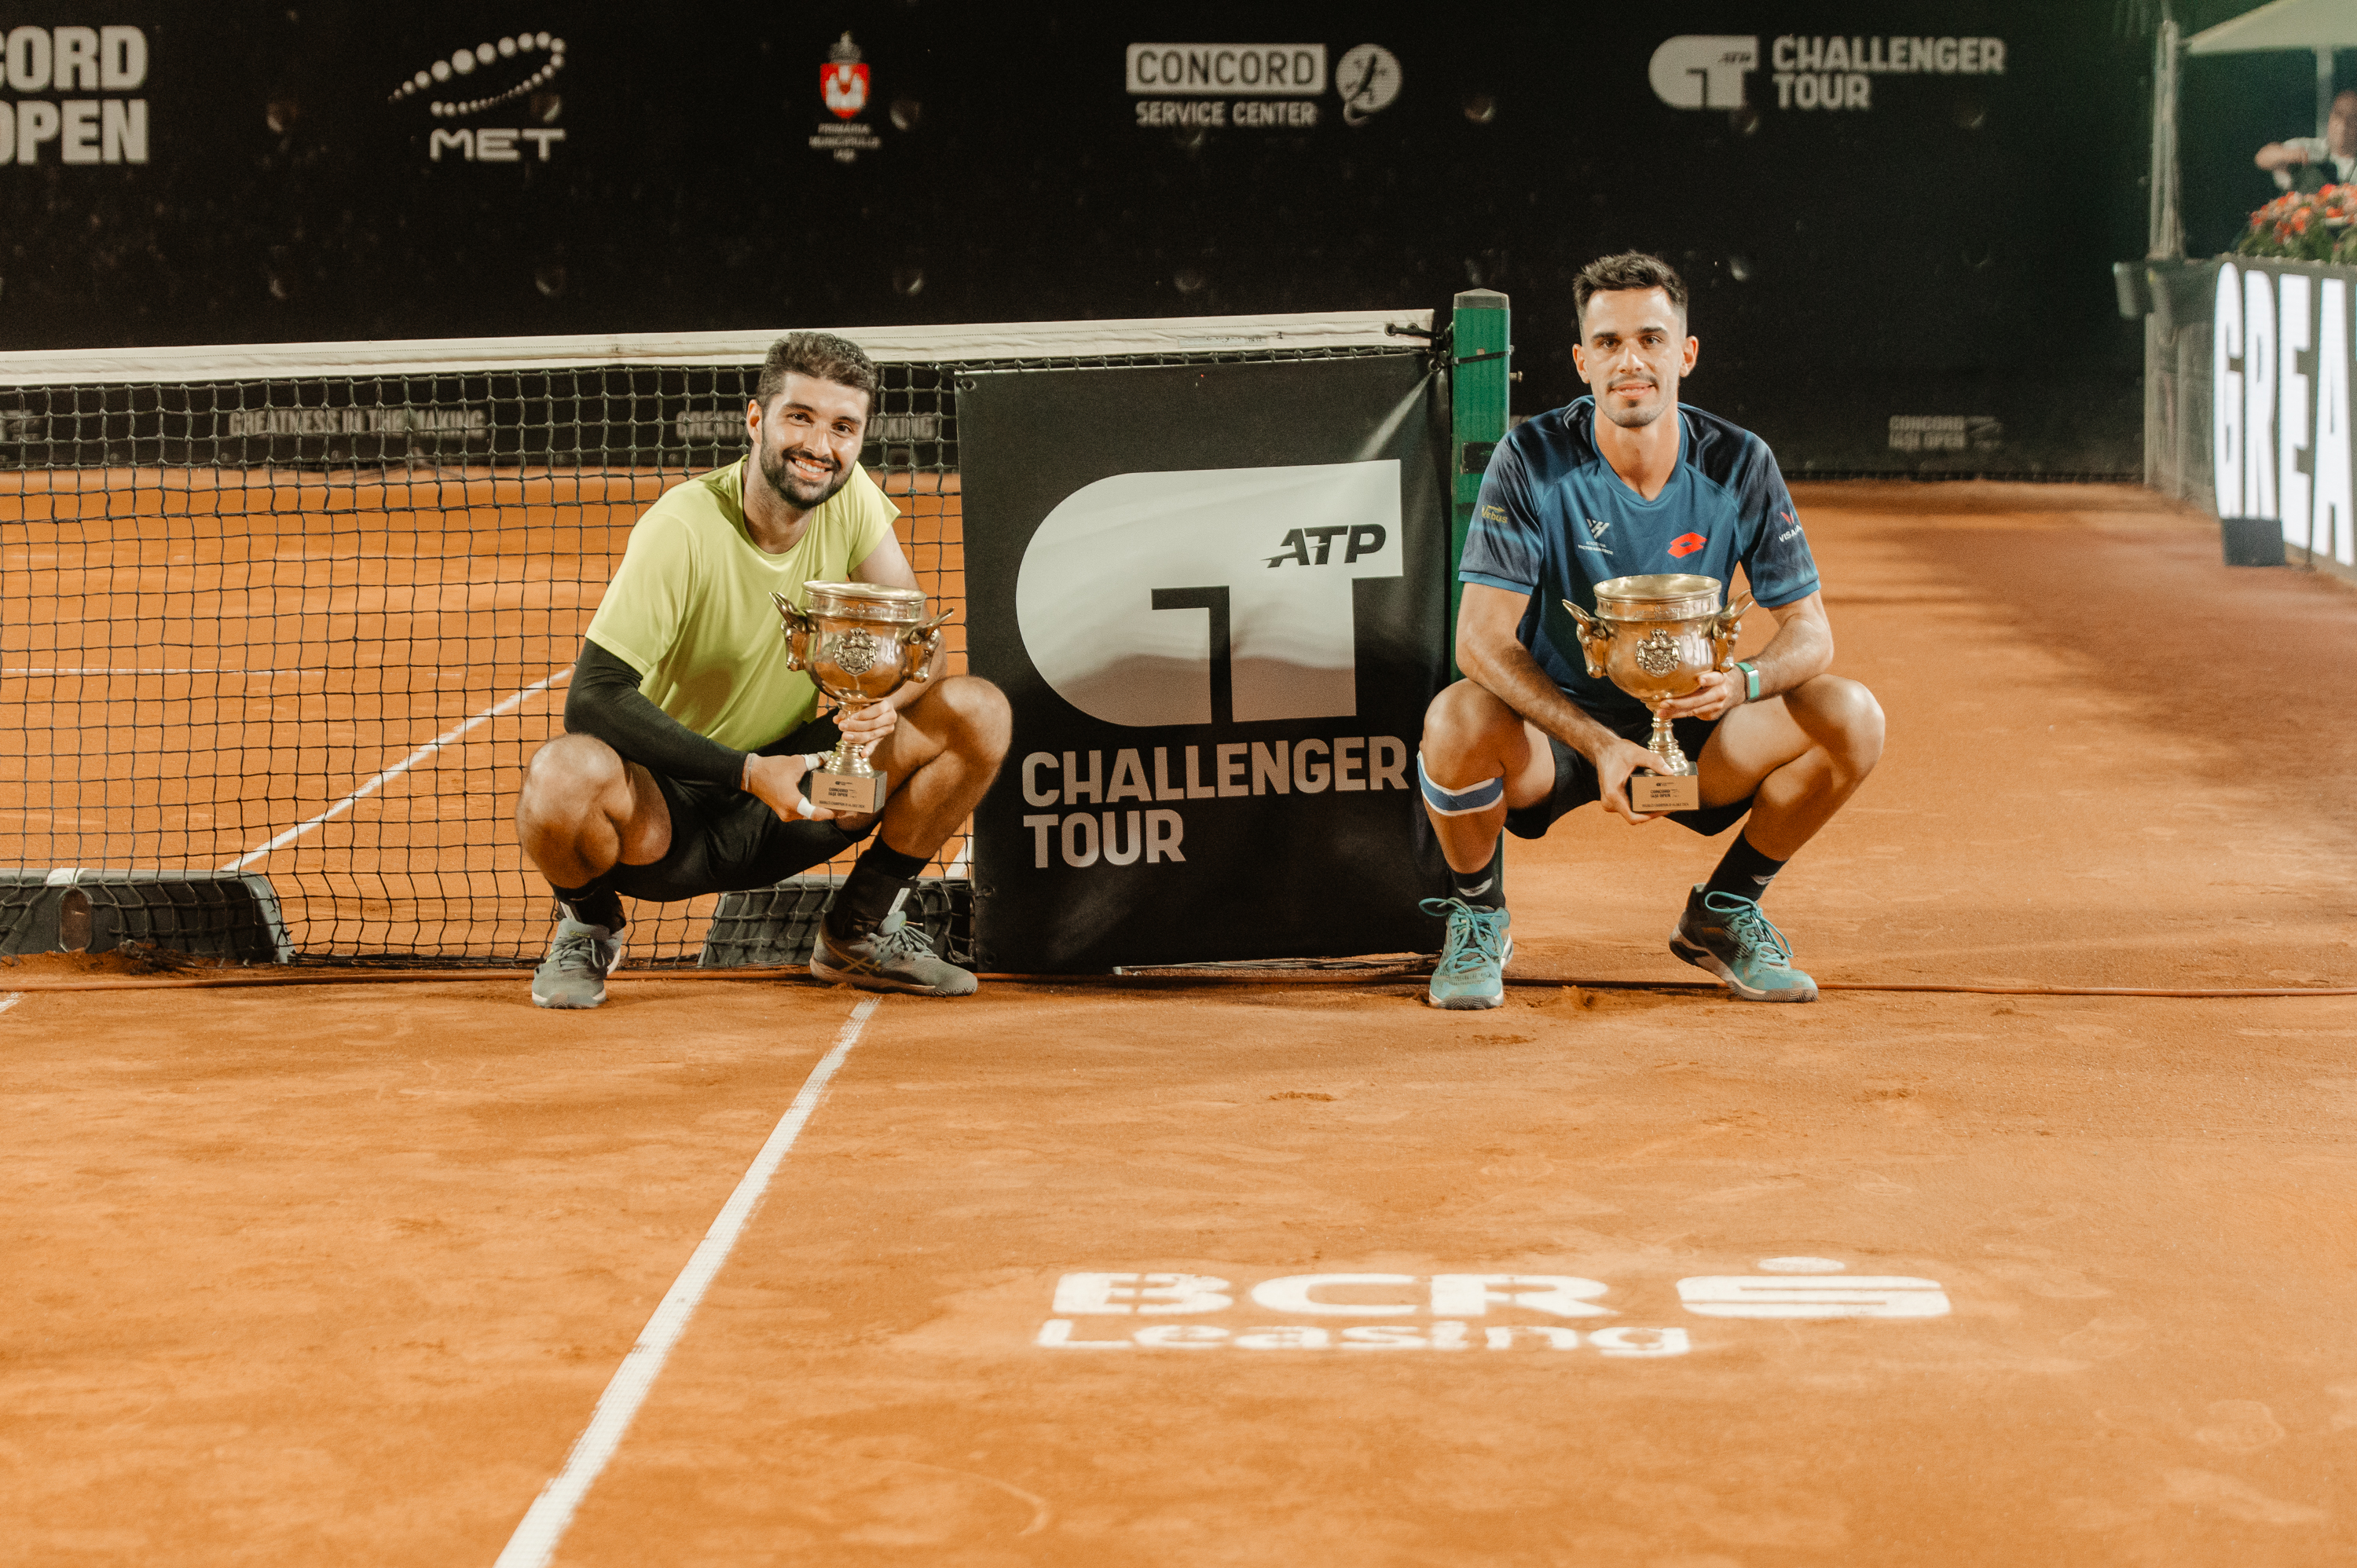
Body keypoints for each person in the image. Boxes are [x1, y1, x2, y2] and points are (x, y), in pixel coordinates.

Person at [1414, 252, 1883, 1009]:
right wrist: (1600, 745)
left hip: (1697, 735)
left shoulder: (1740, 461)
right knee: (1455, 719)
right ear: (1582, 362)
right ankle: (1478, 915)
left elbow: (1810, 632)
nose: (1630, 361)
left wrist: (1742, 682)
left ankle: (1724, 912)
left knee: (1851, 716)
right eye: (1608, 342)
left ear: (1685, 354)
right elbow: (1479, 639)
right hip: (1559, 739)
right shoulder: (1530, 458)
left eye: (1651, 339)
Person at [515, 331, 1010, 1007]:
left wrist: (885, 705)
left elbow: (923, 649)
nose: (819, 446)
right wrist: (747, 771)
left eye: (842, 427)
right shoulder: (682, 527)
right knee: (560, 774)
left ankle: (858, 930)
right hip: (668, 814)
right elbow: (592, 699)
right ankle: (588, 926)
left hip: (803, 798)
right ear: (756, 419)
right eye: (799, 418)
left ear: (861, 438)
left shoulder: (851, 499)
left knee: (977, 711)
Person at [2256, 90, 2357, 192]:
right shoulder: (2310, 147)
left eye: (2351, 120)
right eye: (2339, 116)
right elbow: (2262, 158)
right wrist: (2287, 155)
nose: (2343, 126)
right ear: (2330, 118)